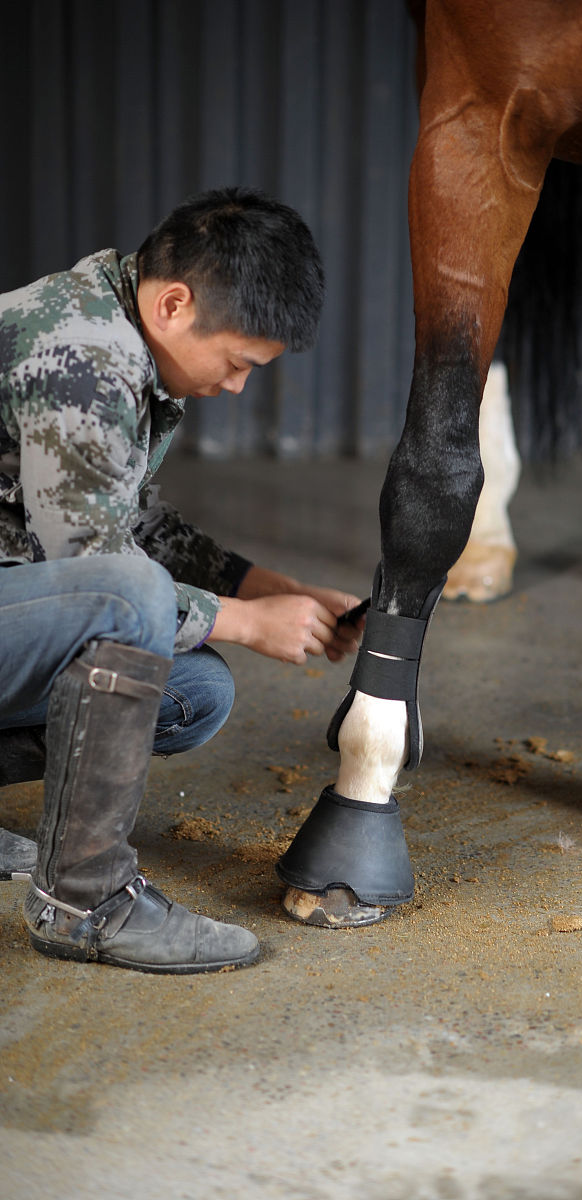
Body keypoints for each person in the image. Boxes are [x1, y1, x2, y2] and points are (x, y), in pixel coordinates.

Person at [0, 187, 363, 974]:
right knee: (132, 598)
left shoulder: (123, 332)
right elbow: (94, 570)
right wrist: (242, 620)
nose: (236, 388)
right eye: (236, 363)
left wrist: (265, 587)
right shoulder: (83, 354)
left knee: (194, 692)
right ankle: (83, 902)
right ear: (174, 304)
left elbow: (143, 527)